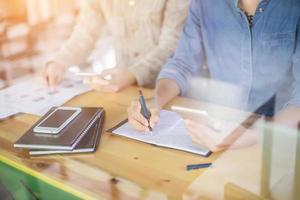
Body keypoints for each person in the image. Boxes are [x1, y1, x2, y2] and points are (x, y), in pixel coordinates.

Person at [128, 0, 300, 152]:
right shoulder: (203, 3)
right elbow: (182, 64)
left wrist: (254, 135)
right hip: (216, 130)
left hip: (280, 139)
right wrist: (156, 101)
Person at [43, 0, 189, 92]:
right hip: (125, 90)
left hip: (169, 89)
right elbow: (85, 33)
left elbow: (172, 45)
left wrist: (133, 73)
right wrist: (59, 62)